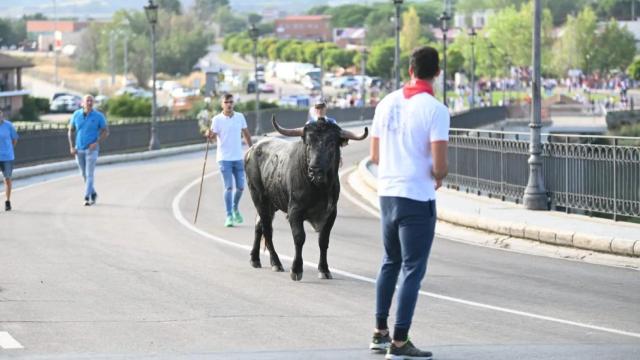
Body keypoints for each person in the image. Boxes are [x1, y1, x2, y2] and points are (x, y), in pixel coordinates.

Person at [369, 46, 450, 360]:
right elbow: (440, 166)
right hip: (417, 197)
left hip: (387, 194)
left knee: (390, 262)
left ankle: (379, 333)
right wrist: (438, 174)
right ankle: (400, 343)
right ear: (437, 73)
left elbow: (374, 156)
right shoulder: (435, 109)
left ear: (410, 69)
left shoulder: (386, 102)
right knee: (413, 270)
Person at [207, 93, 253, 227]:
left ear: (233, 104)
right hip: (224, 159)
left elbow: (246, 134)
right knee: (228, 187)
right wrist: (209, 136)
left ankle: (234, 208)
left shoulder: (240, 117)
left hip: (238, 158)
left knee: (240, 187)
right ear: (222, 104)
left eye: (231, 102)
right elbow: (212, 137)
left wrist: (252, 149)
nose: (229, 104)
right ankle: (229, 216)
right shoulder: (217, 119)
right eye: (226, 102)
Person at [68, 95, 109, 206]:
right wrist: (72, 146)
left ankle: (87, 196)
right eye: (87, 101)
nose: (89, 103)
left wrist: (96, 142)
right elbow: (70, 131)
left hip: (92, 150)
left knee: (89, 174)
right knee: (83, 174)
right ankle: (94, 193)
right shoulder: (76, 115)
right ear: (82, 103)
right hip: (79, 149)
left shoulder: (98, 116)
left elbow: (105, 131)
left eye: (91, 101)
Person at [0, 108, 18, 211]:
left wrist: (8, 149)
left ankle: (7, 201)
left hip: (7, 157)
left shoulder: (8, 125)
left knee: (7, 179)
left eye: (0, 114)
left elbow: (15, 139)